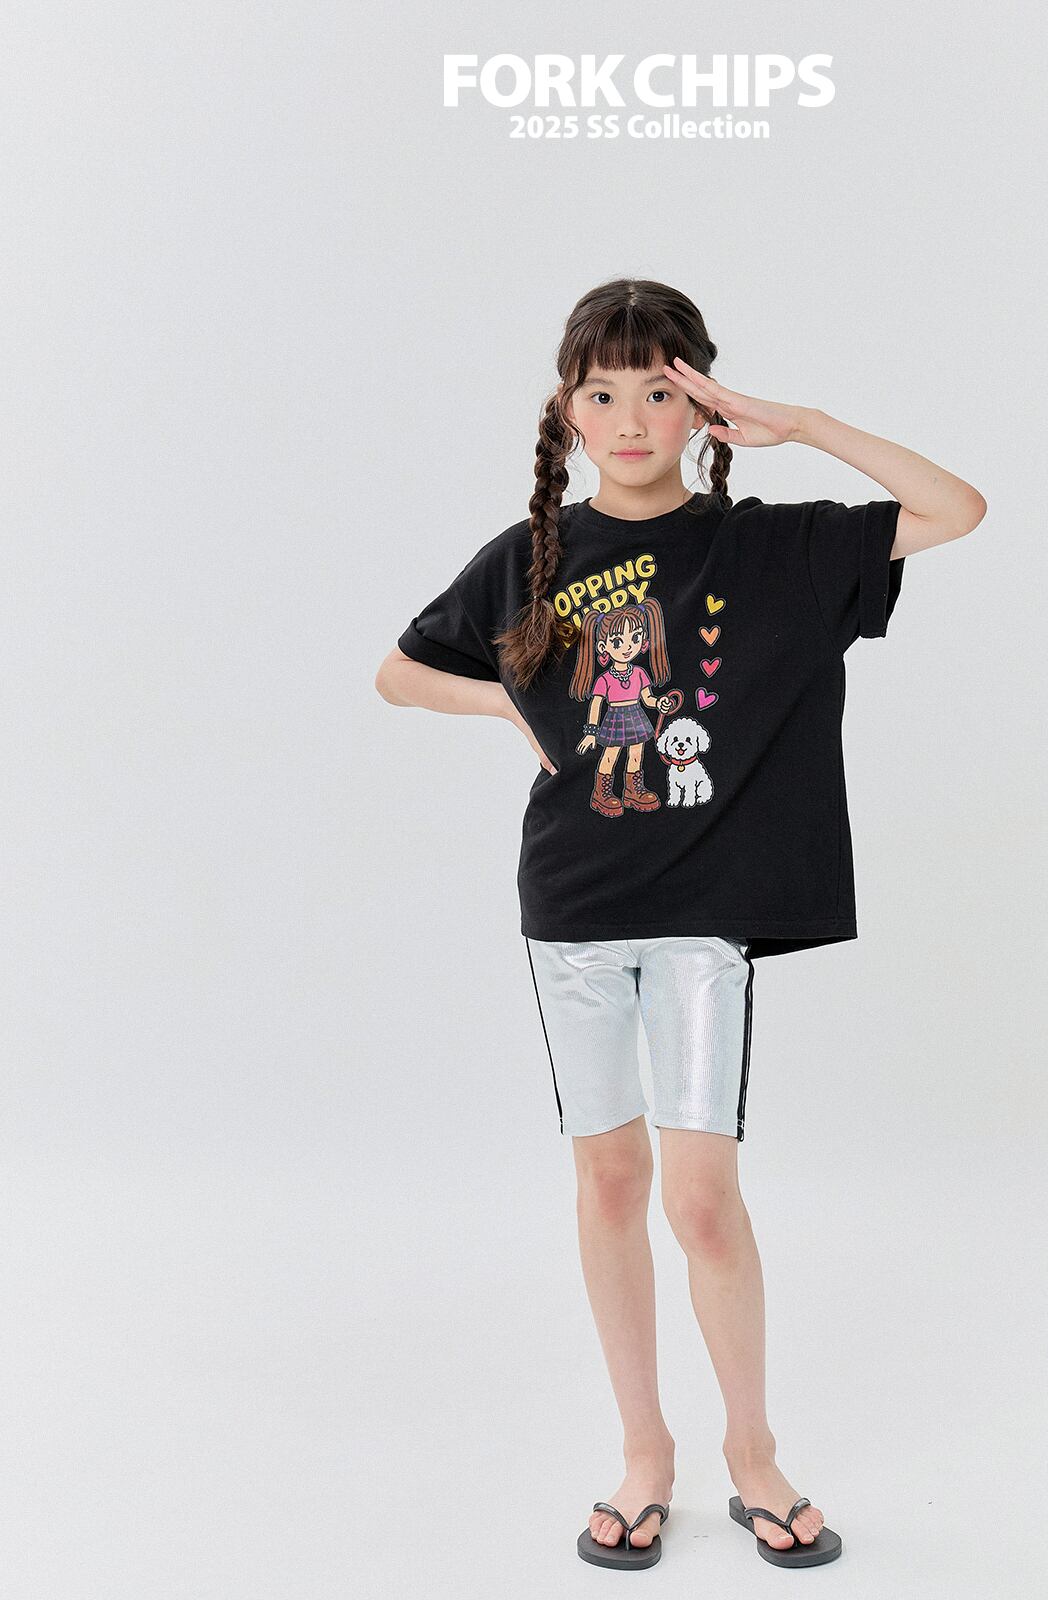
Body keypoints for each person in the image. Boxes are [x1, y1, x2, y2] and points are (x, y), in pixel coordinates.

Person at [375, 278, 985, 1569]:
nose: (631, 419)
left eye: (660, 390)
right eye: (603, 394)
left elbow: (956, 509)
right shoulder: (528, 559)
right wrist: (512, 708)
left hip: (705, 918)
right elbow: (400, 670)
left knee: (703, 1200)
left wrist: (801, 423)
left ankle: (751, 1454)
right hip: (574, 913)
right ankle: (644, 1452)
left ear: (700, 401)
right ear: (568, 412)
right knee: (608, 1182)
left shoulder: (769, 550)